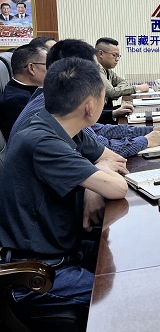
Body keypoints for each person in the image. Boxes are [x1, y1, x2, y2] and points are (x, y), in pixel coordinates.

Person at [0, 57, 129, 311]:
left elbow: (114, 160)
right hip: (38, 271)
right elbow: (118, 187)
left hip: (63, 248)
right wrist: (95, 179)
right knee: (123, 297)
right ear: (90, 107)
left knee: (132, 258)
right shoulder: (43, 141)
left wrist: (91, 182)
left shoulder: (63, 127)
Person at [9, 39, 160, 157]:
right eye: (94, 70)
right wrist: (146, 140)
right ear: (73, 70)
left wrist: (149, 131)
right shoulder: (53, 106)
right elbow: (103, 147)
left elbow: (98, 131)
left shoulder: (52, 95)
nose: (97, 76)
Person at [0, 44, 47, 139]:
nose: (52, 69)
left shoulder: (24, 89)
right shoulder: (16, 101)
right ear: (31, 68)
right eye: (48, 64)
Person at [96, 37, 149, 108]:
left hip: (105, 111)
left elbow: (123, 82)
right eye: (114, 55)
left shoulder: (108, 70)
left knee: (131, 108)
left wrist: (117, 90)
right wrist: (137, 88)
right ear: (101, 54)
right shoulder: (95, 69)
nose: (117, 59)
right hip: (97, 114)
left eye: (118, 56)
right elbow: (112, 92)